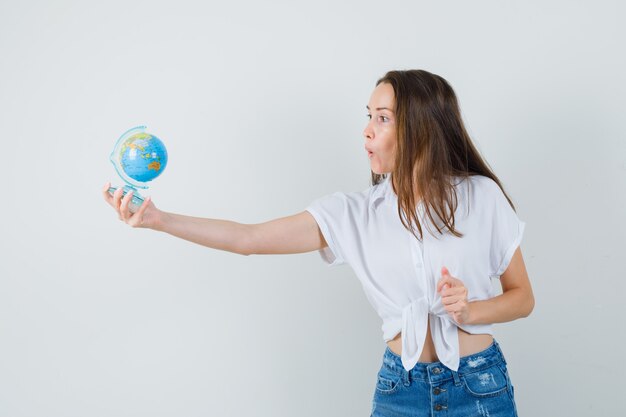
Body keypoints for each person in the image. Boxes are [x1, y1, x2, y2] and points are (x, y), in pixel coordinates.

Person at [102, 69, 534, 417]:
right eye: (368, 115)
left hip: (480, 387)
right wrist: (159, 220)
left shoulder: (481, 197)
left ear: (420, 128)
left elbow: (522, 298)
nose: (367, 130)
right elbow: (248, 239)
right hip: (400, 393)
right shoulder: (353, 214)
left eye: (382, 118)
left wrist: (470, 309)